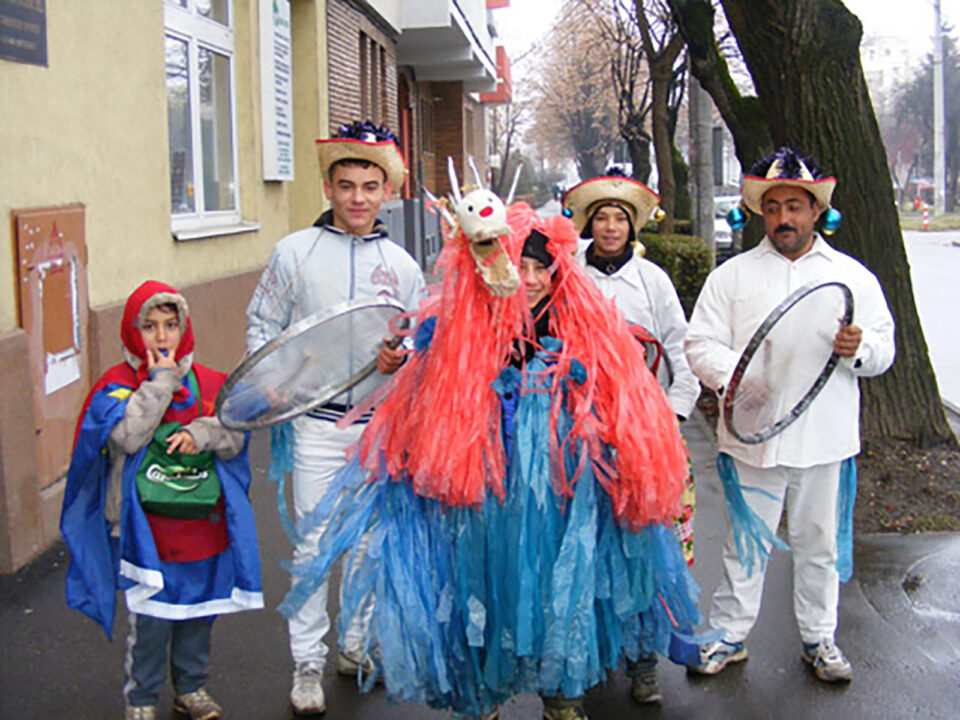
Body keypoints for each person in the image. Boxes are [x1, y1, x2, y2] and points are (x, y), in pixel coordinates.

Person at [277, 194, 701, 720]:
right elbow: (428, 373)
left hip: (558, 474)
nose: (526, 278)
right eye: (516, 264)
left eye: (537, 267)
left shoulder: (578, 318)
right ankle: (483, 692)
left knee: (556, 575)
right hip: (486, 469)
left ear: (555, 271)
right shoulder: (470, 318)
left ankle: (561, 692)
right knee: (482, 573)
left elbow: (620, 384)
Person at [684, 147, 895, 683]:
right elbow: (700, 342)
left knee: (818, 544)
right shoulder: (732, 277)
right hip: (752, 437)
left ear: (814, 211)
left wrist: (860, 346)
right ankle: (730, 635)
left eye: (795, 207)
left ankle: (819, 638)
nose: (784, 218)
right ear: (762, 212)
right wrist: (741, 377)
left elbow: (884, 348)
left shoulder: (853, 277)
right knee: (743, 545)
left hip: (824, 438)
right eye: (774, 207)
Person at [246, 120, 425, 715]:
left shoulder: (402, 264)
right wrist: (274, 386)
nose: (357, 197)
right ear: (328, 186)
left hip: (379, 428)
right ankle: (306, 664)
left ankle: (353, 644)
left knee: (369, 544)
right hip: (314, 426)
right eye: (346, 184)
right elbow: (262, 326)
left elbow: (419, 340)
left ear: (386, 191)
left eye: (369, 186)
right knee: (313, 548)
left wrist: (401, 359)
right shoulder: (294, 252)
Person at [60, 280, 262, 720]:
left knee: (197, 611)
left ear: (184, 327)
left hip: (200, 522)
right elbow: (127, 437)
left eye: (171, 325)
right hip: (143, 528)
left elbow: (235, 436)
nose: (162, 337)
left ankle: (190, 688)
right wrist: (161, 384)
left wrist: (202, 433)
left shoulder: (210, 382)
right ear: (134, 332)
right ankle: (142, 699)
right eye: (149, 327)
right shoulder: (114, 386)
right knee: (150, 620)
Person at [564, 169, 700, 704]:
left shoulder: (653, 281)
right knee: (589, 548)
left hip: (647, 439)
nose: (611, 226)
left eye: (621, 217)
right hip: (583, 437)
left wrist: (670, 418)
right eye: (602, 216)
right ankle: (598, 653)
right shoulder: (568, 276)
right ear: (589, 222)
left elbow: (681, 350)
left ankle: (644, 660)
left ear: (633, 225)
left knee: (644, 547)